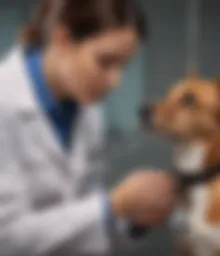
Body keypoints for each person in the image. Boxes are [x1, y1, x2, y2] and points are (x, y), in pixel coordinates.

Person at [0, 0, 175, 255]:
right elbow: (6, 238)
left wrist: (134, 219)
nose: (115, 81)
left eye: (122, 66)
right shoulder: (5, 103)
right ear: (62, 39)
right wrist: (113, 204)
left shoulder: (87, 108)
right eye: (105, 62)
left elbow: (79, 226)